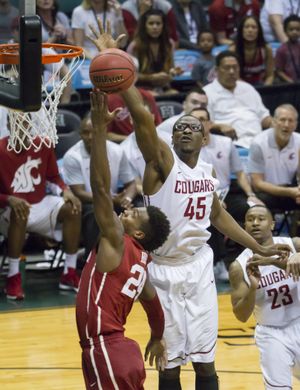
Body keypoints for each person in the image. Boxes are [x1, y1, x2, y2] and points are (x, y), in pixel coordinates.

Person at [87, 20, 292, 390]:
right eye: (179, 126)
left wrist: (256, 245)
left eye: (192, 127)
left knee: (206, 364)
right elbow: (145, 122)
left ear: (204, 136)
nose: (183, 129)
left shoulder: (210, 170)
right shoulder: (163, 164)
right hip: (163, 270)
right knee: (169, 365)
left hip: (198, 268)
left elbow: (218, 215)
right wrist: (115, 63)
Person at [76, 89, 171, 390]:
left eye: (133, 216)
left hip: (108, 349)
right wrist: (156, 337)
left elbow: (101, 189)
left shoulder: (117, 240)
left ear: (138, 234)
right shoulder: (142, 263)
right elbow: (155, 308)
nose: (126, 212)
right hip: (117, 351)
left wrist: (100, 130)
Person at [0, 120, 82, 300]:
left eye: (24, 123)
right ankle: (13, 277)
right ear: (9, 124)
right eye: (16, 123)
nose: (21, 127)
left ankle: (69, 272)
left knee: (73, 208)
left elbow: (53, 176)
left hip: (40, 203)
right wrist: (9, 199)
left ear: (30, 125)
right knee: (21, 211)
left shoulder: (43, 145)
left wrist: (65, 191)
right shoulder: (0, 149)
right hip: (8, 210)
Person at [229, 205, 300, 389]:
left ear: (272, 223)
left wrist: (297, 256)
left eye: (261, 219)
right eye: (250, 219)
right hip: (271, 333)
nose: (255, 223)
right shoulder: (239, 266)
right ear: (243, 226)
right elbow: (241, 315)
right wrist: (253, 288)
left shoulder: (293, 244)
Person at [193, 106, 263, 281]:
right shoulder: (187, 148)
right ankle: (220, 262)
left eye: (203, 119)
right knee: (211, 212)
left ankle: (256, 256)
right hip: (202, 195)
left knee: (252, 210)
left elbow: (239, 172)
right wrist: (213, 197)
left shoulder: (225, 143)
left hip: (227, 191)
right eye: (195, 120)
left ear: (210, 123)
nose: (200, 123)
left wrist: (250, 194)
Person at [63, 111, 138, 258]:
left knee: (139, 207)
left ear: (104, 131)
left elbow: (132, 184)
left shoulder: (117, 150)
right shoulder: (72, 156)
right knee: (94, 212)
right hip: (89, 203)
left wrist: (127, 199)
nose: (90, 137)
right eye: (85, 133)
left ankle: (136, 257)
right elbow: (79, 193)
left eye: (94, 132)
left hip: (113, 200)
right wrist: (109, 199)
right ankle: (93, 259)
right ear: (79, 134)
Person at [203, 51, 273, 149]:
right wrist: (220, 127)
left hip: (259, 142)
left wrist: (274, 123)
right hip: (230, 144)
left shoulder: (248, 88)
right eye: (227, 68)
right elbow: (203, 122)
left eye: (235, 67)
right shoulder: (207, 93)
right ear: (216, 70)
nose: (232, 71)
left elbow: (263, 116)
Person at [248, 104, 300, 213]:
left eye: (291, 121)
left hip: (291, 189)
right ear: (274, 122)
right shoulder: (259, 143)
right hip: (266, 192)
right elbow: (257, 183)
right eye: (282, 120)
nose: (286, 125)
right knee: (256, 203)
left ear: (296, 124)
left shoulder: (299, 141)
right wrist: (290, 192)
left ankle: (295, 230)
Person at [126, 8, 181, 96]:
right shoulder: (135, 46)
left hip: (162, 86)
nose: (155, 27)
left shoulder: (169, 43)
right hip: (141, 87)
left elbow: (171, 69)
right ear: (145, 26)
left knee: (175, 94)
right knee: (154, 95)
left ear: (163, 26)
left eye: (158, 24)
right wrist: (151, 77)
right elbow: (130, 75)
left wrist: (173, 72)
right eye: (151, 24)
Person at [230, 15, 274, 86]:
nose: (250, 30)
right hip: (240, 87)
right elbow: (234, 77)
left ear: (259, 31)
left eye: (254, 27)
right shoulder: (233, 50)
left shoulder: (266, 49)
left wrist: (266, 88)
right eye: (246, 27)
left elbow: (270, 76)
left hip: (262, 87)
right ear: (241, 30)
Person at [275, 14, 300, 83]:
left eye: (298, 29)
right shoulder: (281, 50)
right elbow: (279, 71)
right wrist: (290, 81)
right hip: (288, 85)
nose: (294, 32)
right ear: (285, 31)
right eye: (291, 29)